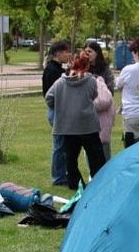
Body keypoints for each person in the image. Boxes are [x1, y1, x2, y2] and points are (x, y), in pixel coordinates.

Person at [45, 51, 106, 189]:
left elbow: (49, 97)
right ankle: (99, 181)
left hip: (67, 126)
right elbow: (94, 95)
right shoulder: (90, 80)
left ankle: (75, 183)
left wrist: (60, 106)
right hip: (88, 125)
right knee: (95, 156)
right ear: (87, 66)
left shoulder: (60, 83)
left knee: (70, 158)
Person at [42, 40, 73, 186]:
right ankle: (58, 177)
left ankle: (62, 173)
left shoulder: (56, 69)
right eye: (66, 52)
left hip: (58, 111)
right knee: (59, 145)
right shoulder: (54, 71)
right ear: (58, 53)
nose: (68, 54)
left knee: (63, 145)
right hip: (57, 112)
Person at [88, 43, 116, 159]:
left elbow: (109, 92)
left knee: (103, 142)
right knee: (89, 144)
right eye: (86, 51)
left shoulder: (105, 69)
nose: (87, 54)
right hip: (88, 111)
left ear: (97, 53)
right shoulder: (84, 68)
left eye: (90, 51)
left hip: (103, 110)